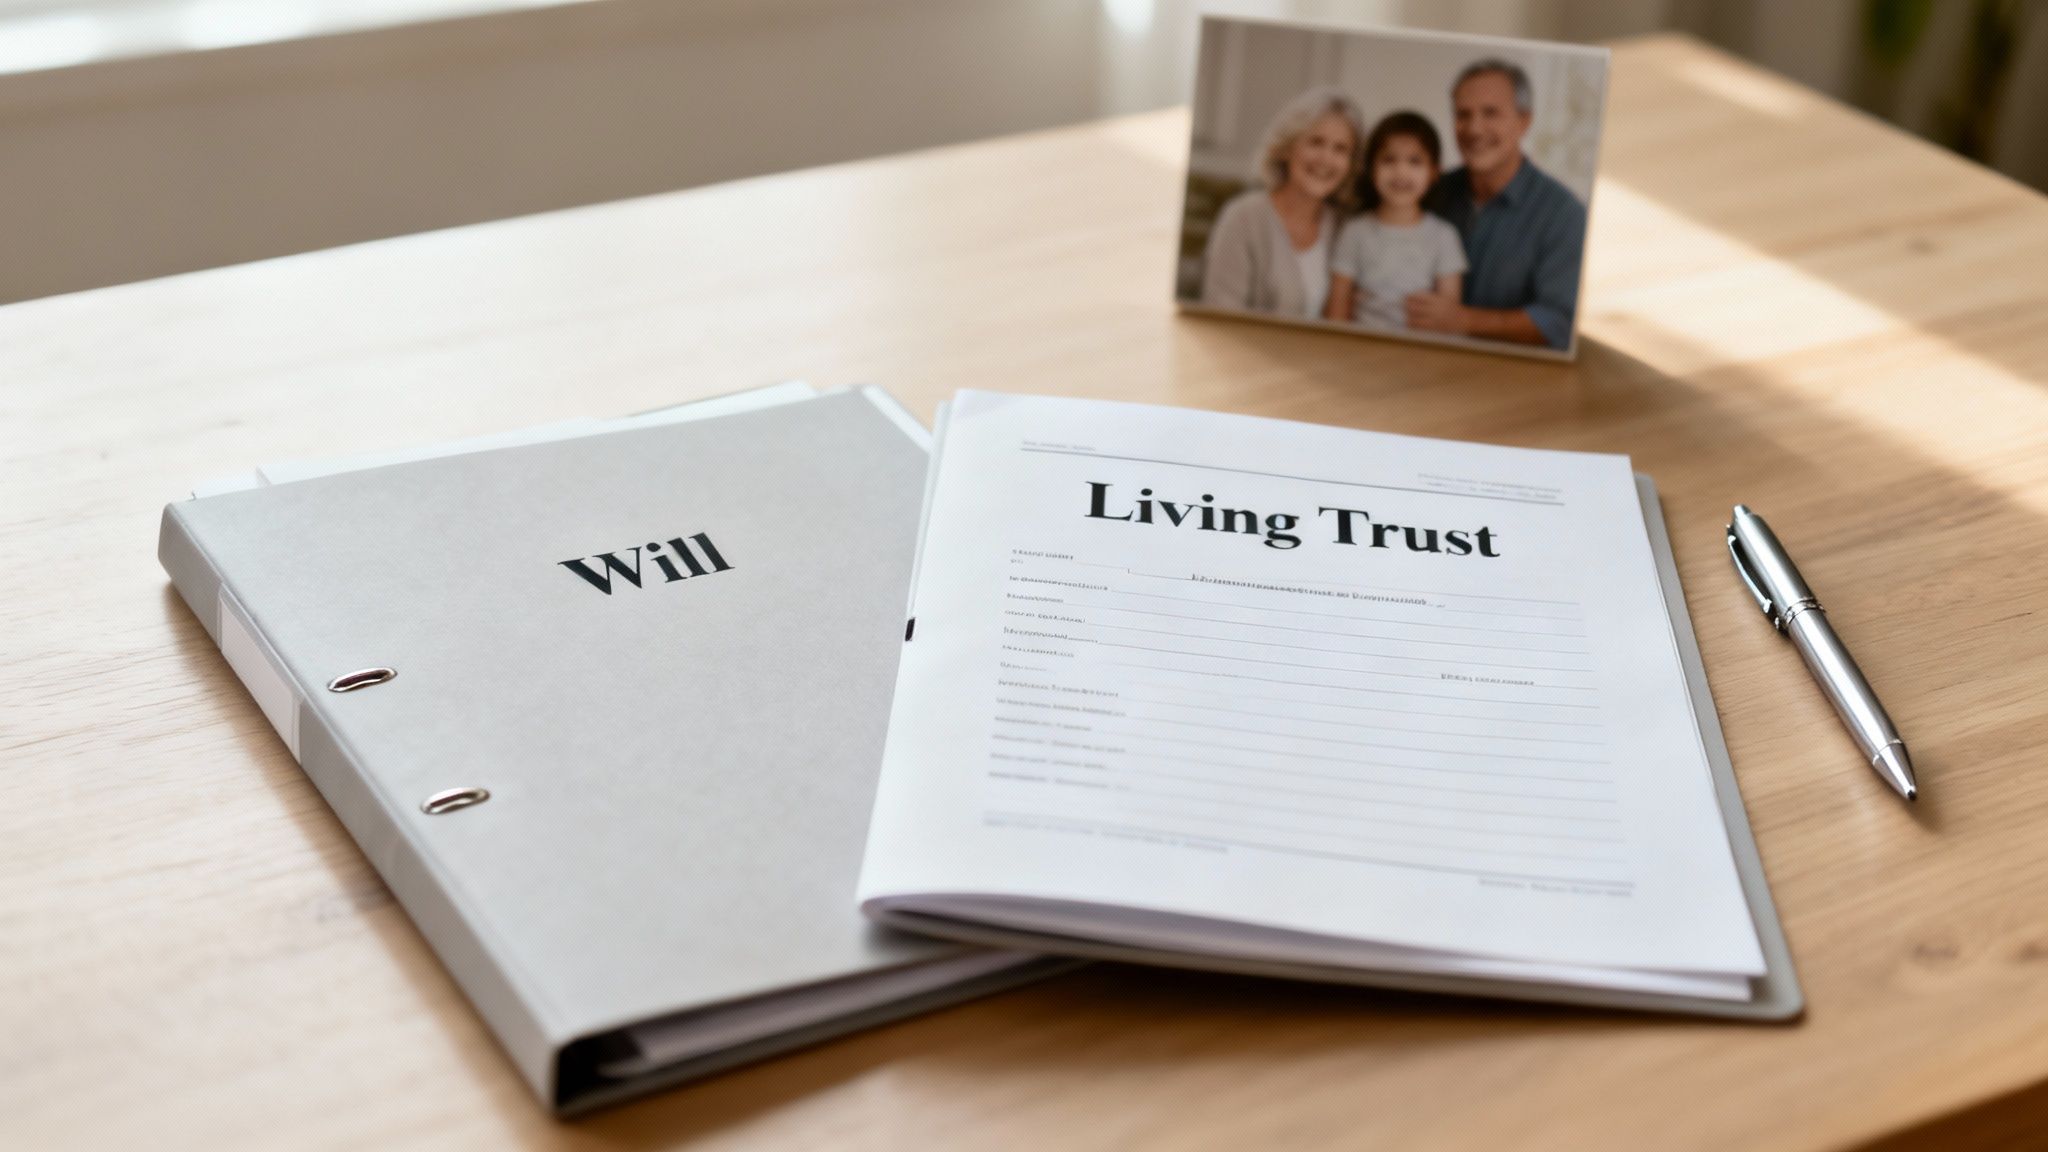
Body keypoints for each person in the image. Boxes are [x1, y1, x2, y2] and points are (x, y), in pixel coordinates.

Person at [1406, 58, 1587, 350]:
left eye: (1490, 113)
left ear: (1523, 122)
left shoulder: (1564, 215)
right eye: (1463, 115)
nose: (1474, 129)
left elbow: (1559, 323)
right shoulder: (1431, 193)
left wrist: (1465, 321)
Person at [1199, 88, 1366, 320]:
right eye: (1316, 142)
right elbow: (1220, 317)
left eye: (1340, 149)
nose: (1326, 159)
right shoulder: (1242, 218)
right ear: (1287, 148)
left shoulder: (1346, 228)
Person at [1323, 111, 1466, 330]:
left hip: (1421, 354)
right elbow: (1338, 308)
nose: (1401, 172)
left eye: (1415, 161)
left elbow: (1448, 314)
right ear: (1371, 169)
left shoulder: (1444, 236)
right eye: (1389, 160)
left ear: (1434, 173)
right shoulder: (1355, 232)